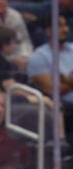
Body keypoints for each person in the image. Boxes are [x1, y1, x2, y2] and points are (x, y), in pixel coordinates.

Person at [27, 14, 73, 144]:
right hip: (65, 108)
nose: (64, 29)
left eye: (65, 25)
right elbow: (52, 89)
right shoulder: (38, 57)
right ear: (48, 30)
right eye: (59, 25)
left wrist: (65, 79)